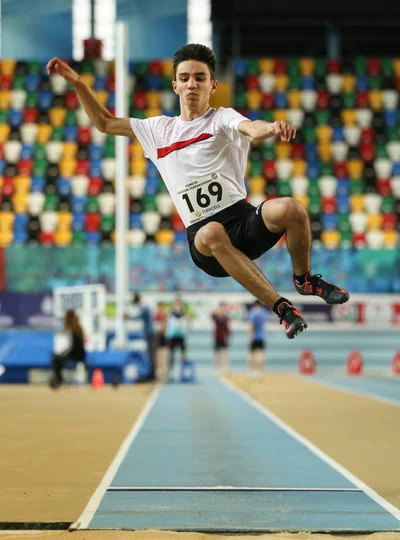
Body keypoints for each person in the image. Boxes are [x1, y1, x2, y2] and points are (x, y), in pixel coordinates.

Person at [46, 45, 350, 339]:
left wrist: (269, 128)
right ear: (175, 86)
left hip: (243, 222)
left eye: (200, 78)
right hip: (205, 242)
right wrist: (78, 83)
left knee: (291, 209)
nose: (192, 84)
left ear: (213, 85)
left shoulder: (222, 118)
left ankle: (305, 279)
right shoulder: (157, 130)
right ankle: (282, 308)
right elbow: (105, 122)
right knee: (211, 231)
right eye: (185, 78)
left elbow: (251, 127)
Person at [49, 309, 86, 389]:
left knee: (55, 359)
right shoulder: (78, 329)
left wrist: (62, 354)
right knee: (57, 358)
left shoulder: (72, 331)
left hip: (75, 356)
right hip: (79, 355)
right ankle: (59, 379)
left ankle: (59, 380)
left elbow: (72, 348)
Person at [130, 292, 156, 381]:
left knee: (151, 355)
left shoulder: (145, 307)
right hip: (149, 334)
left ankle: (152, 375)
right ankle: (151, 374)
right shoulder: (144, 307)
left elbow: (139, 316)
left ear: (137, 301)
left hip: (151, 334)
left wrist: (129, 317)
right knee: (149, 354)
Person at [165, 297, 190, 375]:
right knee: (171, 355)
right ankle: (170, 372)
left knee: (183, 354)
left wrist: (187, 330)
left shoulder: (184, 313)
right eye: (176, 304)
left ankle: (184, 372)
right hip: (172, 336)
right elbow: (167, 323)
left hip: (181, 336)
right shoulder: (170, 313)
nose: (178, 305)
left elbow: (187, 324)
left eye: (179, 304)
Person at [247, 300, 269, 376]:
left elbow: (251, 325)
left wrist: (250, 336)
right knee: (261, 354)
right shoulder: (264, 312)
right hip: (262, 336)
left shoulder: (252, 313)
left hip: (254, 336)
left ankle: (252, 371)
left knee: (252, 354)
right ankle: (260, 371)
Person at [211, 302, 230, 371]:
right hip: (217, 336)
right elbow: (212, 315)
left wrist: (228, 336)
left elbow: (227, 327)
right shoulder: (216, 316)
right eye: (221, 308)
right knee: (216, 352)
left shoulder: (225, 317)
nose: (222, 309)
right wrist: (217, 311)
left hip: (224, 337)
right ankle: (215, 367)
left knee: (225, 352)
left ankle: (225, 366)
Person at [154, 301, 169, 380]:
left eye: (161, 307)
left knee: (164, 353)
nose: (160, 309)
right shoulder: (156, 316)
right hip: (158, 336)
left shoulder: (165, 315)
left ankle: (164, 370)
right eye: (159, 307)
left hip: (164, 336)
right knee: (158, 354)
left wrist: (164, 328)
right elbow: (155, 326)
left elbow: (167, 325)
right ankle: (159, 371)